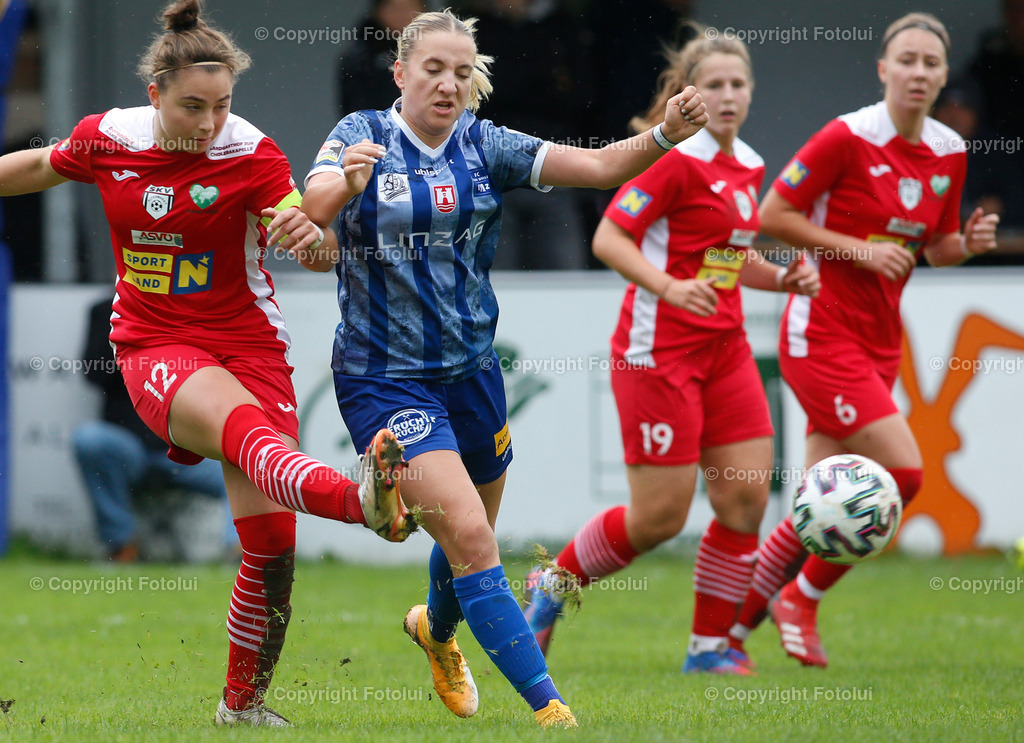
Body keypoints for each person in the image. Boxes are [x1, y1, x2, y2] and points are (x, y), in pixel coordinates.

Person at [0, 0, 417, 727]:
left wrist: (312, 229)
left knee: (272, 544)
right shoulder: (109, 138)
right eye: (193, 106)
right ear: (154, 93)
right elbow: (39, 163)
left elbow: (317, 255)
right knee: (250, 436)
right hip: (154, 343)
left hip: (250, 344)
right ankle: (363, 502)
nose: (209, 123)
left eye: (222, 106)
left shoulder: (251, 153)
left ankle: (241, 707)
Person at [301, 8, 707, 728]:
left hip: (472, 373)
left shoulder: (489, 145)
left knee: (472, 530)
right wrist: (345, 185)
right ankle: (551, 709)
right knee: (473, 537)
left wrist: (666, 133)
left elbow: (601, 166)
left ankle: (438, 631)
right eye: (433, 68)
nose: (449, 83)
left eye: (463, 72)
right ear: (400, 73)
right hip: (384, 375)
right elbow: (312, 212)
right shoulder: (361, 134)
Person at [520, 30, 819, 675]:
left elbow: (722, 259)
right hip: (659, 353)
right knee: (659, 517)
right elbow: (609, 238)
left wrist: (781, 274)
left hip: (726, 350)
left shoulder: (749, 164)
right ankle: (551, 585)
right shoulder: (675, 157)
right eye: (714, 85)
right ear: (689, 92)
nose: (728, 95)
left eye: (738, 84)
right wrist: (669, 288)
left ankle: (709, 649)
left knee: (743, 499)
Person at [727, 12, 999, 669]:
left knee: (814, 505)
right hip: (819, 329)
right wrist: (859, 250)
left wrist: (967, 245)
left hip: (877, 342)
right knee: (902, 474)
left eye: (931, 63)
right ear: (884, 69)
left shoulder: (948, 151)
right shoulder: (846, 138)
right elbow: (771, 215)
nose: (918, 72)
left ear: (941, 76)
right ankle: (803, 599)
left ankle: (722, 640)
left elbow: (933, 247)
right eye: (906, 60)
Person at [73, 297, 229, 563]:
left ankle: (246, 557)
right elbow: (93, 373)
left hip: (190, 447)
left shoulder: (193, 308)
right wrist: (134, 342)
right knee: (89, 440)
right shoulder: (105, 311)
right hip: (128, 446)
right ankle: (121, 546)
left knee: (252, 461)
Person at [337, 0, 426, 117]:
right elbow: (356, 110)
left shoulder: (440, 50)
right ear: (379, 11)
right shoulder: (359, 58)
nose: (403, 14)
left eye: (410, 8)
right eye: (395, 8)